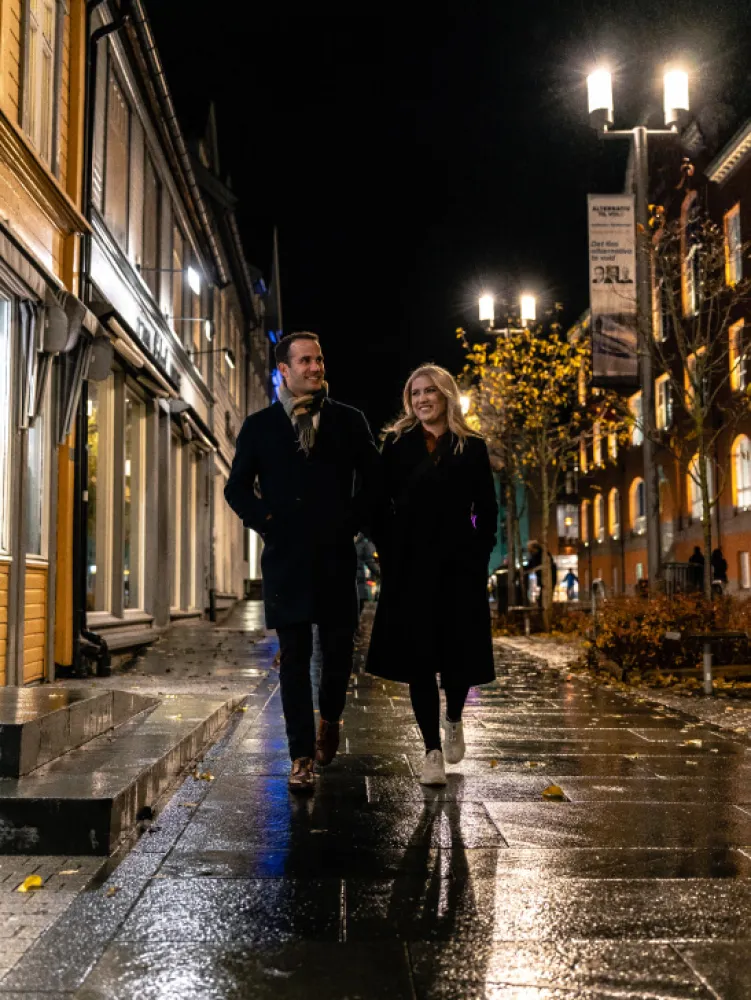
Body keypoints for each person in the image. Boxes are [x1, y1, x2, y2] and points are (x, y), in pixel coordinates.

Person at [225, 331, 380, 793]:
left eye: (320, 359)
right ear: (284, 370)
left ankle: (329, 719)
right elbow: (236, 489)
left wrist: (350, 522)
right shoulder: (260, 426)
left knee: (338, 652)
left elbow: (374, 481)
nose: (316, 367)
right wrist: (268, 522)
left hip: (335, 556)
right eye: (306, 361)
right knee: (294, 659)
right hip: (286, 559)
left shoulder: (349, 420)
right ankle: (300, 757)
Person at [366, 364, 498, 787]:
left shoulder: (472, 447)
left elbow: (487, 510)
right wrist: (389, 550)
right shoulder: (396, 444)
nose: (422, 399)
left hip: (460, 566)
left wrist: (478, 555)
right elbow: (377, 503)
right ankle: (431, 752)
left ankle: (454, 718)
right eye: (415, 392)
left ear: (446, 396)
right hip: (410, 566)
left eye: (430, 391)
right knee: (420, 661)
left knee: (458, 658)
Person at [525, 541, 558, 607]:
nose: (529, 552)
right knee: (542, 598)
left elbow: (547, 566)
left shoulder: (544, 555)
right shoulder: (535, 556)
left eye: (530, 550)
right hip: (542, 580)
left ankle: (544, 608)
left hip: (548, 579)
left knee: (546, 597)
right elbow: (529, 566)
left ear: (535, 548)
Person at [355, 532, 379, 615]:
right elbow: (370, 561)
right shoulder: (364, 544)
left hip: (359, 580)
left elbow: (370, 561)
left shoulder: (362, 544)